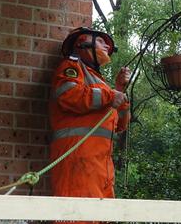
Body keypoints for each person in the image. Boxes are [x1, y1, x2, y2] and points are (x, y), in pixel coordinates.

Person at [49, 27, 131, 215]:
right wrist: (111, 95)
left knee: (101, 216)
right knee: (78, 216)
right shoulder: (71, 67)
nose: (107, 46)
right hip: (77, 159)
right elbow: (69, 95)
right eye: (101, 41)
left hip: (100, 166)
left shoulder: (99, 81)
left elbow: (119, 126)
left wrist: (119, 91)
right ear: (83, 43)